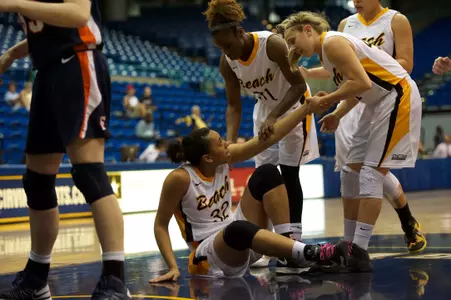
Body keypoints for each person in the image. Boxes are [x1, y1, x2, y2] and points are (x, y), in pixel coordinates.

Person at [0, 1, 129, 299]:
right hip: (47, 71)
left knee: (89, 173)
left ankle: (115, 280)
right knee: (37, 181)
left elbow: (78, 14)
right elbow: (46, 32)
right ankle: (36, 278)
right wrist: (11, 54)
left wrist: (11, 4)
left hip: (78, 63)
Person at [279, 11, 422, 272]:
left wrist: (325, 100)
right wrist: (335, 114)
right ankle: (348, 246)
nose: (292, 47)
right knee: (349, 171)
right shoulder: (327, 52)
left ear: (308, 29)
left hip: (396, 96)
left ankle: (359, 252)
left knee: (369, 174)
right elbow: (358, 90)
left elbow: (362, 83)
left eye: (292, 39)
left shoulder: (333, 42)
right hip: (375, 102)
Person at [149, 101, 345, 283]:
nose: (226, 143)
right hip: (210, 256)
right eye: (220, 142)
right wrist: (173, 267)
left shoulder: (223, 158)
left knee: (267, 172)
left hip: (240, 240)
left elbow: (268, 139)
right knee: (237, 228)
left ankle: (288, 252)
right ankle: (310, 252)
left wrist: (305, 109)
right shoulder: (179, 178)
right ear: (207, 158)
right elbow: (160, 225)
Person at [203, 0, 319, 272]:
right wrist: (230, 141)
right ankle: (270, 245)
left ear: (239, 31)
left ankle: (293, 245)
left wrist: (274, 116)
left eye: (228, 45)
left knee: (289, 174)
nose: (226, 52)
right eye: (221, 48)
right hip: (264, 110)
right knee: (266, 177)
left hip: (292, 107)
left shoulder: (271, 45)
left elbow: (299, 85)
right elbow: (233, 105)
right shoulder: (227, 62)